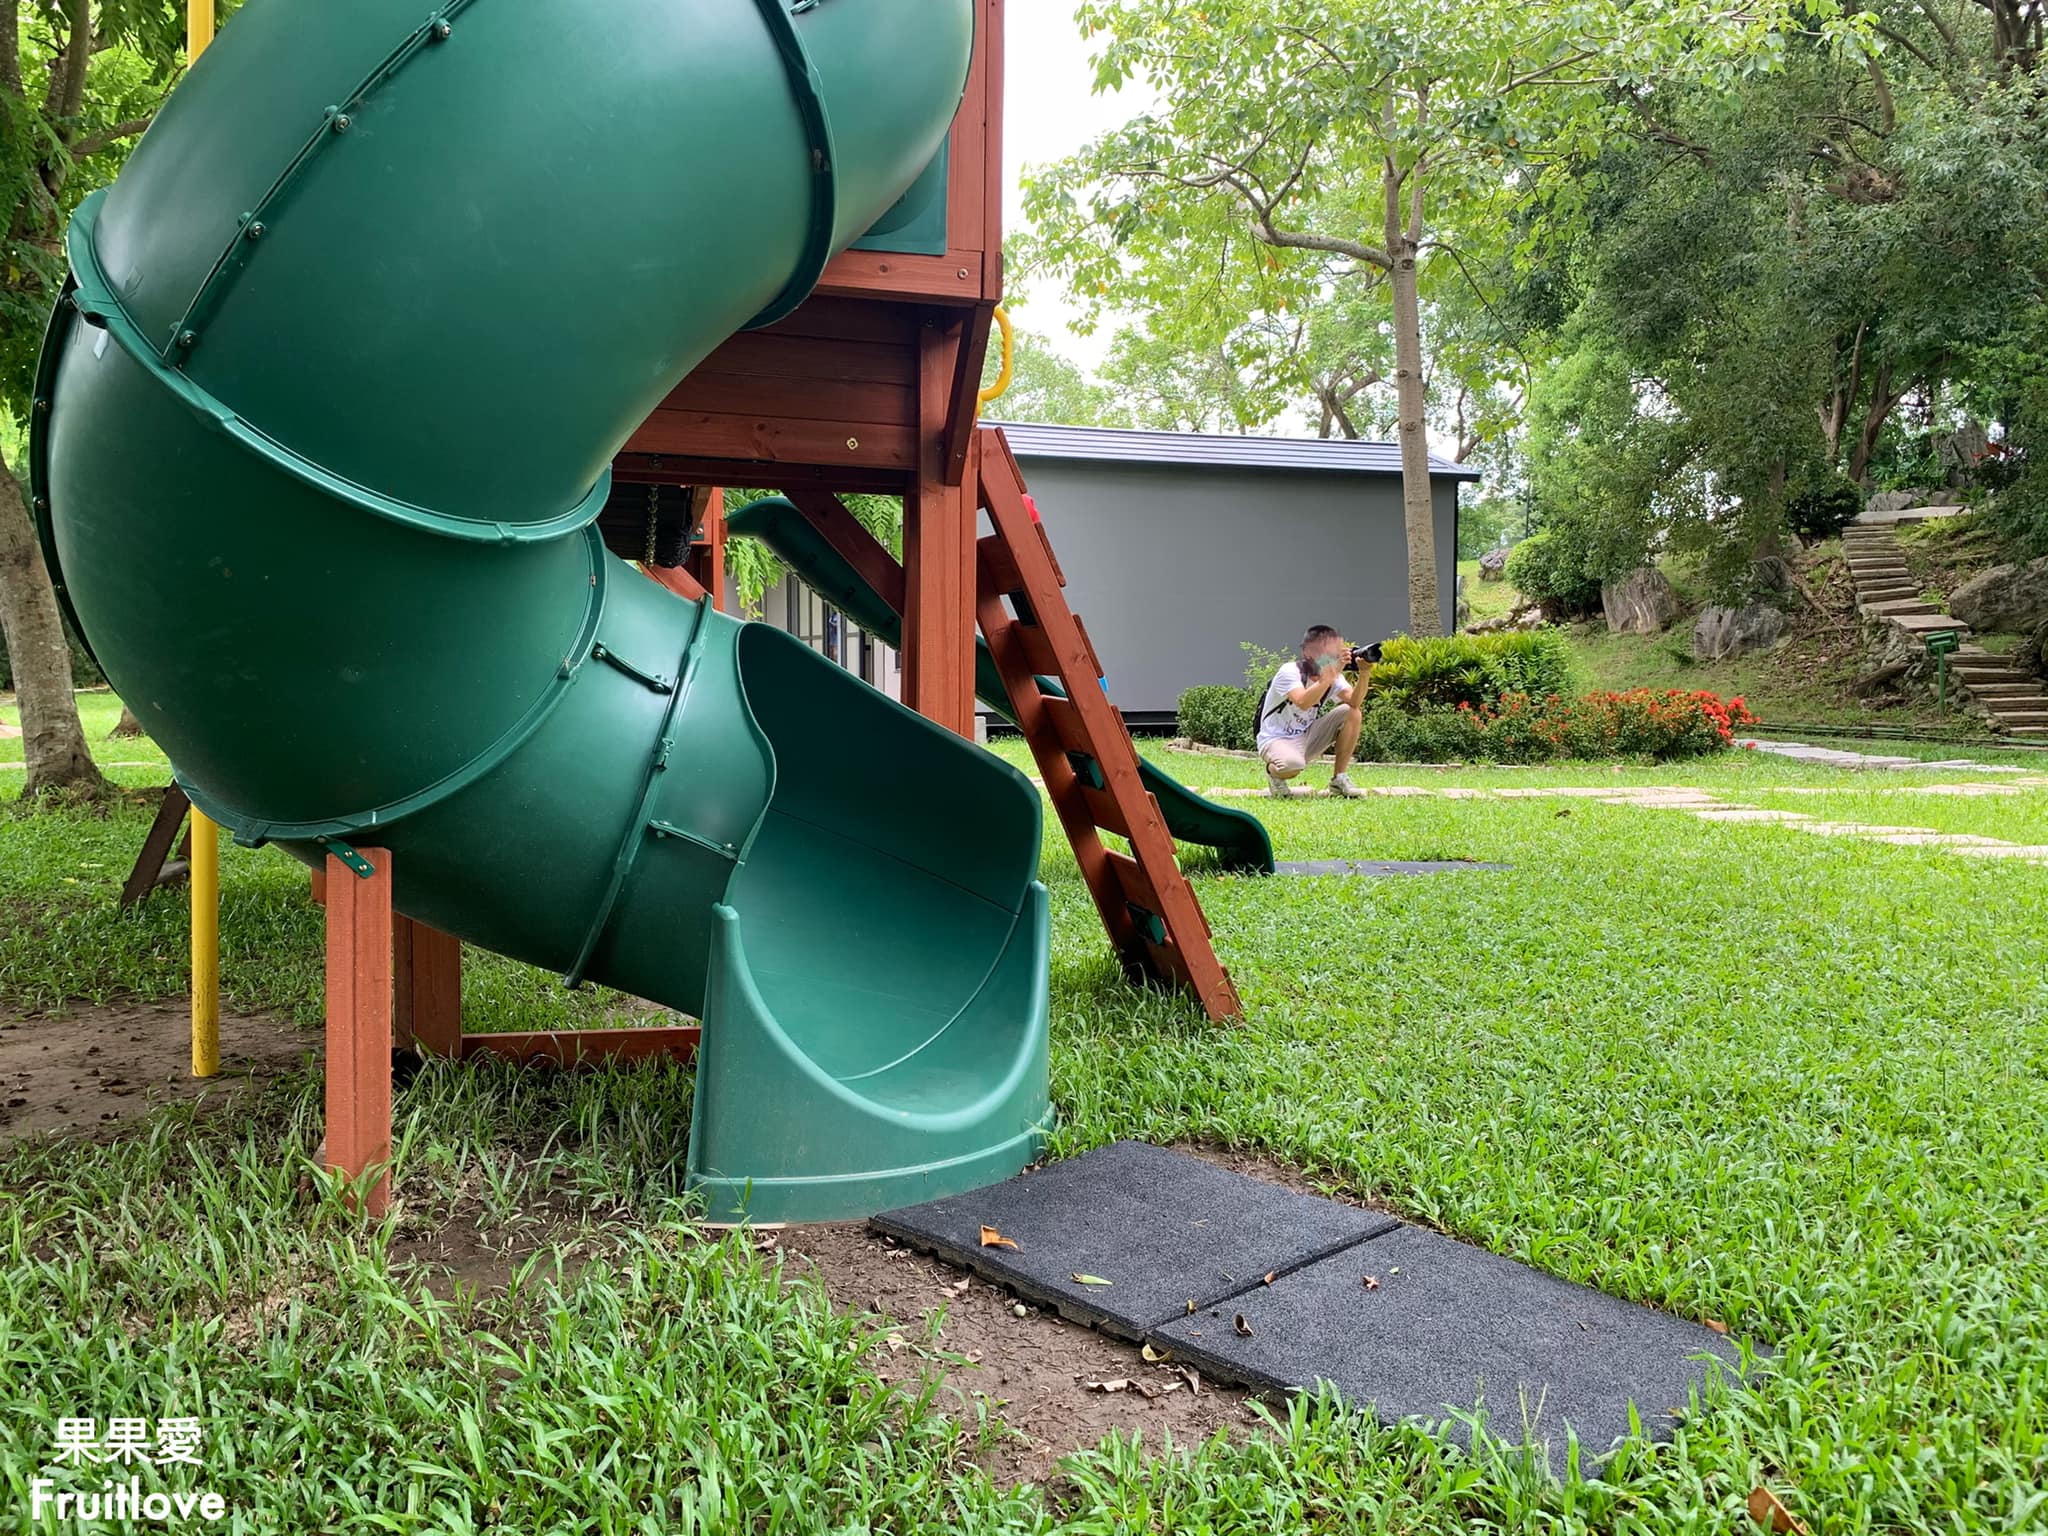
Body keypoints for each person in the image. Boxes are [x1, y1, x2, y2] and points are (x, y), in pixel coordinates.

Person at [1256, 625, 1373, 798]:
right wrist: (1329, 677)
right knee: (1292, 766)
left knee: (1352, 711)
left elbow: (1355, 702)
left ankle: (1338, 779)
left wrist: (1364, 674)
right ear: (1309, 653)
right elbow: (1303, 702)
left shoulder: (1334, 678)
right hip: (1275, 739)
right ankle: (1273, 775)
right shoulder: (1290, 671)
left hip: (1306, 735)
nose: (1337, 656)